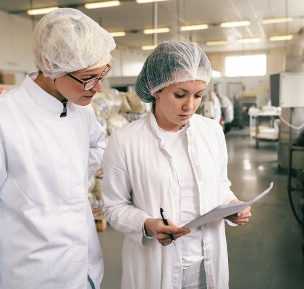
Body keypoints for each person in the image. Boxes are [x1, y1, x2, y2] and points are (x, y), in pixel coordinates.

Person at [0, 8, 115, 289]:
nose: (99, 88)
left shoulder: (81, 110)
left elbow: (97, 144)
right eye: (89, 77)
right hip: (32, 275)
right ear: (50, 65)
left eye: (103, 74)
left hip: (85, 269)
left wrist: (70, 178)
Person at [102, 40, 252, 289]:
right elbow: (114, 206)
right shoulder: (125, 140)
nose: (190, 105)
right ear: (155, 89)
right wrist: (147, 225)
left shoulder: (212, 131)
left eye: (198, 95)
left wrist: (234, 205)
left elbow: (220, 184)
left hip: (207, 259)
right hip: (156, 265)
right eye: (180, 94)